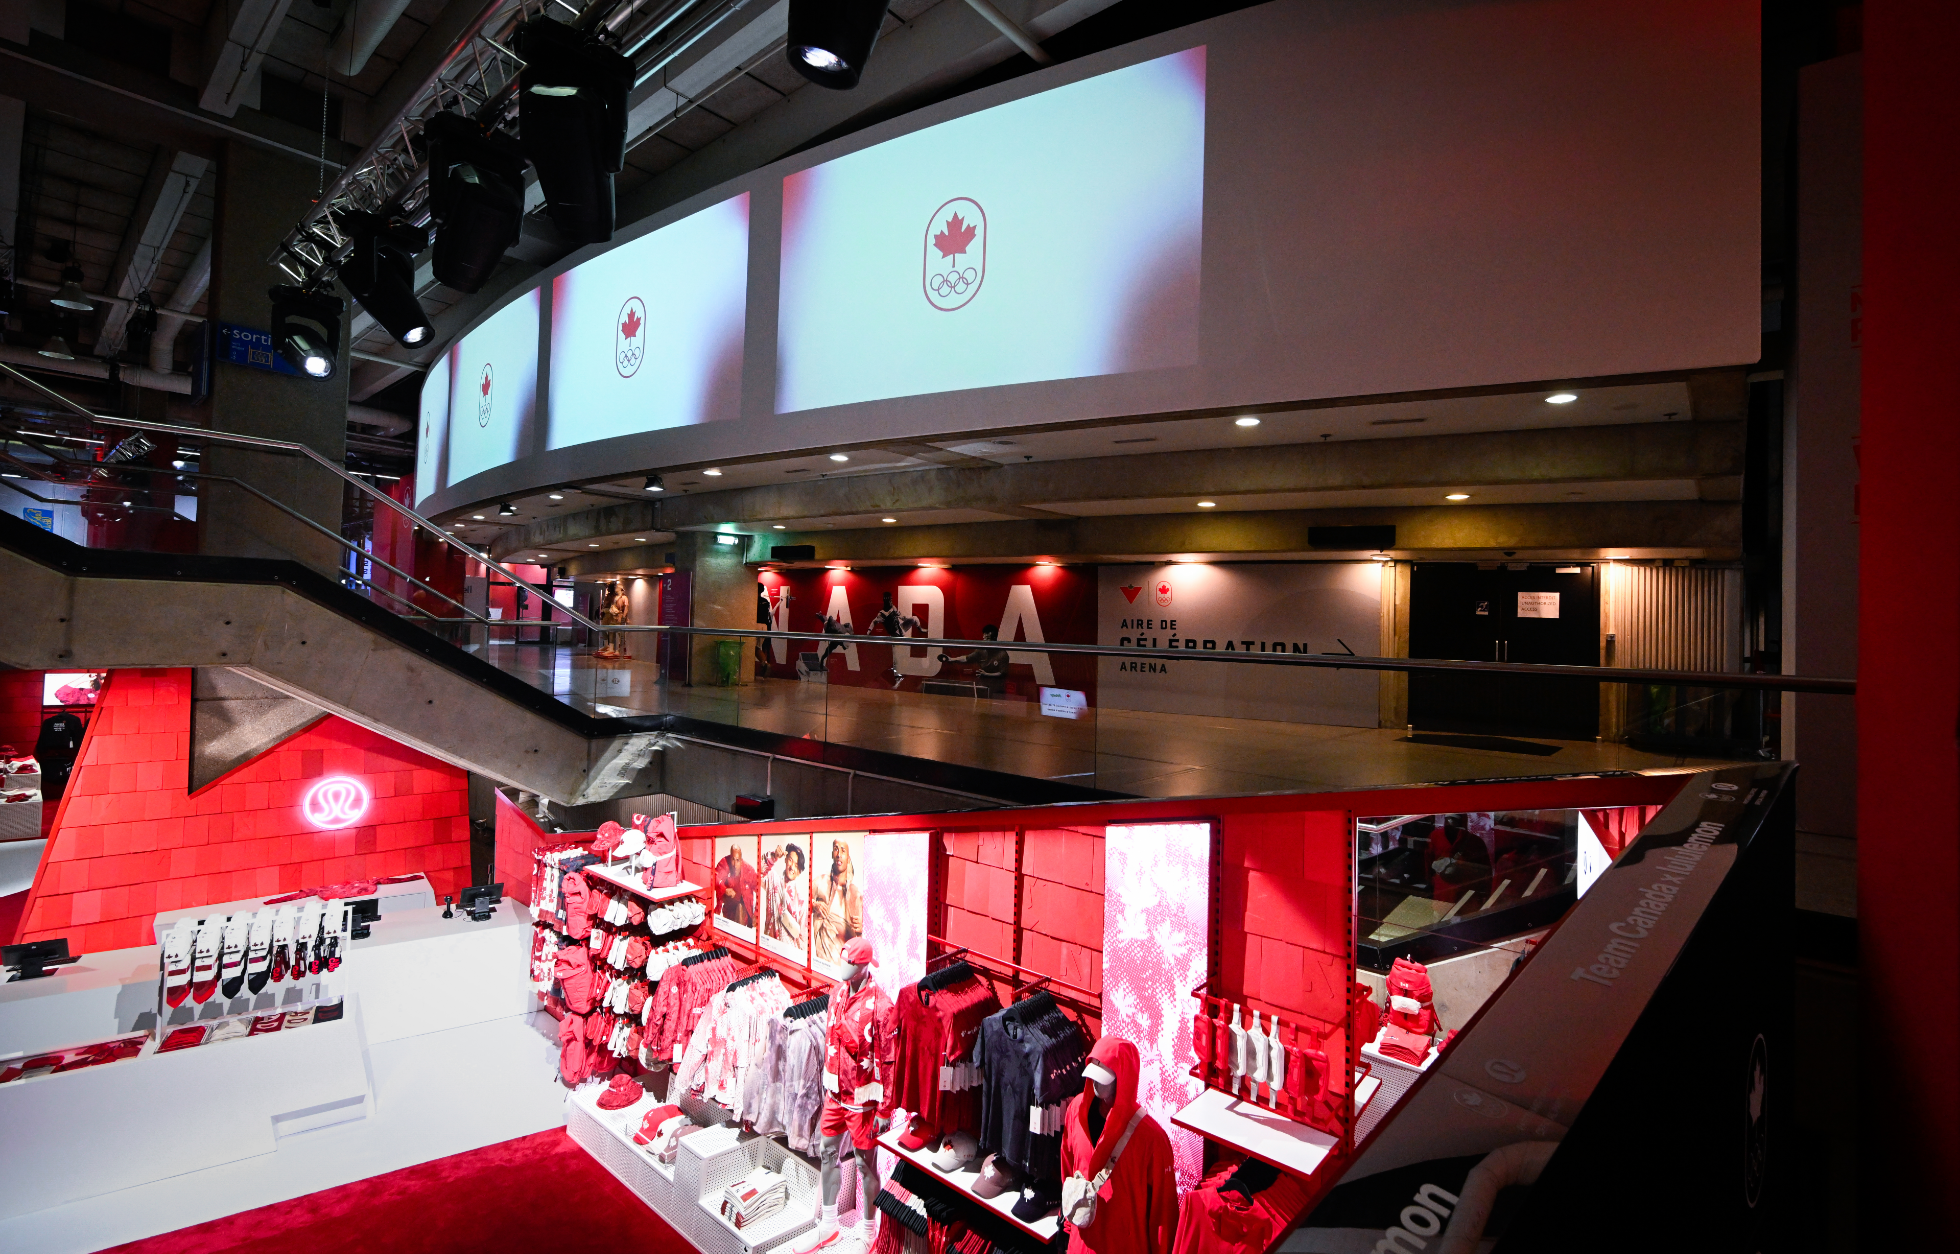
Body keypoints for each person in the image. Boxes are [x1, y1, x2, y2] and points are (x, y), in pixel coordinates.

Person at [792, 936, 891, 1254]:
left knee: (866, 1166)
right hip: (835, 1094)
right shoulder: (835, 994)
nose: (843, 968)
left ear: (863, 967)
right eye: (843, 960)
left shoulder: (881, 1006)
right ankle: (829, 1225)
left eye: (850, 963)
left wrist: (886, 1110)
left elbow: (890, 1061)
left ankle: (867, 1232)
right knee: (827, 1153)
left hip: (863, 1101)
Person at [1059, 1037, 1179, 1253]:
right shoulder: (1075, 1111)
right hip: (1081, 1244)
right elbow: (1068, 1170)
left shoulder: (1151, 1140)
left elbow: (1163, 1215)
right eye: (1094, 1072)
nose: (1096, 1083)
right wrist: (1067, 1226)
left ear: (1124, 1078)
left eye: (1104, 1076)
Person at [811, 838, 863, 965]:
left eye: (843, 851)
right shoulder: (820, 882)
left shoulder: (856, 894)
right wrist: (815, 904)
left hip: (845, 966)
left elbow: (863, 935)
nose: (839, 854)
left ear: (848, 857)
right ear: (832, 854)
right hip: (823, 963)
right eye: (836, 849)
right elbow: (802, 903)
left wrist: (862, 928)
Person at [870, 592, 923, 687]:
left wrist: (904, 617)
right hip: (895, 636)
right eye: (888, 599)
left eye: (891, 599)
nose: (890, 601)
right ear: (885, 600)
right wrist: (868, 632)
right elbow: (874, 622)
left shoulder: (893, 607)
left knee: (914, 618)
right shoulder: (882, 614)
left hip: (902, 629)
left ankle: (921, 628)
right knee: (896, 659)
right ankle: (897, 678)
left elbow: (900, 616)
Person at [938, 624, 1009, 694]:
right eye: (984, 638)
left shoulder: (1002, 654)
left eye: (988, 639)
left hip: (998, 689)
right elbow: (966, 658)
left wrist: (987, 674)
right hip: (983, 686)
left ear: (994, 639)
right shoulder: (981, 650)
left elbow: (1002, 673)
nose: (985, 640)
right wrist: (951, 659)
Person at [763, 842, 808, 947]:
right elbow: (759, 871)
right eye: (791, 860)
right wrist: (774, 857)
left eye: (796, 866)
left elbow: (802, 940)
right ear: (786, 859)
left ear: (799, 872)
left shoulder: (801, 902)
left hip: (786, 954)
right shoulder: (773, 879)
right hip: (768, 945)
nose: (792, 867)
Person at [714, 842, 758, 928]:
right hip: (729, 908)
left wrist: (756, 915)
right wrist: (724, 889)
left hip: (744, 910)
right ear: (730, 858)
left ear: (741, 860)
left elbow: (759, 891)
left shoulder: (749, 870)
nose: (735, 864)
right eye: (733, 859)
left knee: (740, 907)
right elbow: (714, 877)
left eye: (737, 860)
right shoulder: (724, 863)